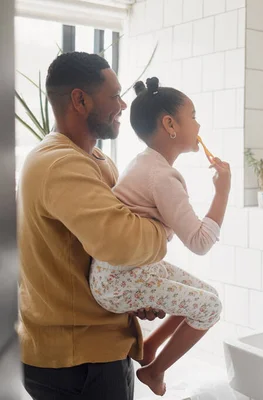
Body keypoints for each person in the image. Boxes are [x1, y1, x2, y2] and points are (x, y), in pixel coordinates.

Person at [18, 52, 168, 400]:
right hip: (77, 361)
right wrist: (168, 224)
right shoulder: (59, 164)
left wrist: (134, 295)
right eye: (115, 95)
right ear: (79, 100)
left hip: (93, 352)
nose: (123, 105)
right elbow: (123, 243)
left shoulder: (96, 160)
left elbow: (95, 259)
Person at [89, 77, 230, 396]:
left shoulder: (146, 163)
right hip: (118, 280)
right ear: (170, 124)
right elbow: (200, 243)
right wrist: (223, 192)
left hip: (119, 271)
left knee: (206, 294)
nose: (198, 124)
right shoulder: (162, 176)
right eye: (192, 115)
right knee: (208, 307)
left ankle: (149, 348)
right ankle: (155, 372)